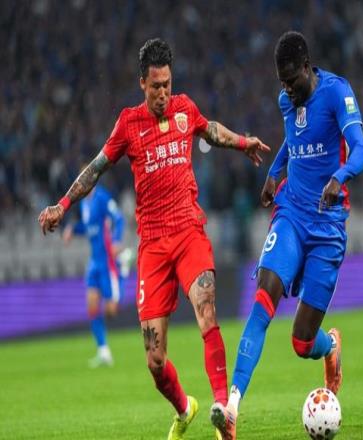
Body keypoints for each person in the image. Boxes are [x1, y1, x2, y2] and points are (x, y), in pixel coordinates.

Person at [38, 38, 270, 440]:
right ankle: (184, 408)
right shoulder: (128, 124)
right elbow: (96, 168)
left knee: (207, 310)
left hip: (189, 232)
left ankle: (223, 410)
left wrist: (242, 141)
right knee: (155, 360)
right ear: (142, 83)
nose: (163, 93)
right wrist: (62, 205)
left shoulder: (185, 108)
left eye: (167, 84)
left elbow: (210, 130)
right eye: (155, 86)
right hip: (153, 247)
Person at [224, 31, 363, 437]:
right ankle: (231, 407)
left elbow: (362, 150)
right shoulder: (286, 100)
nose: (287, 90)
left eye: (292, 80)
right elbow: (293, 140)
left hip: (328, 227)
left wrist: (340, 176)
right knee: (263, 296)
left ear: (307, 67)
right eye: (282, 83)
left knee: (302, 342)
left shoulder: (337, 93)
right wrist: (275, 173)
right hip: (291, 213)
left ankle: (331, 347)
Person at [62, 183, 127, 368]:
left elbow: (119, 218)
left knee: (111, 311)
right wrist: (73, 229)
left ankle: (123, 268)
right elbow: (88, 228)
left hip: (107, 261)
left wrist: (117, 240)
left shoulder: (102, 197)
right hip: (95, 262)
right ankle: (103, 350)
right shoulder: (84, 203)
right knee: (91, 305)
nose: (81, 186)